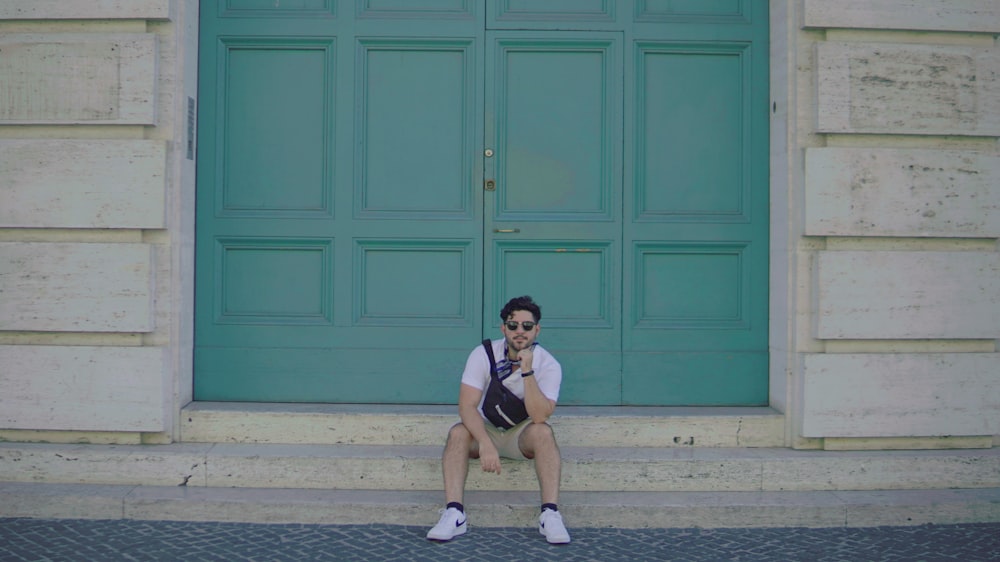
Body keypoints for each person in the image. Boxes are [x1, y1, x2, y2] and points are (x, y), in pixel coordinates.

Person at [426, 295, 570, 544]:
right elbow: (467, 406)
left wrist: (527, 371)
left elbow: (539, 416)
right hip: (487, 429)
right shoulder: (483, 354)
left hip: (522, 434)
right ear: (504, 328)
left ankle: (550, 514)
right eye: (513, 325)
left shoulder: (549, 365)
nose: (520, 331)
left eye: (527, 326)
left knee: (544, 433)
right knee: (458, 432)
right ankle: (454, 513)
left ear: (537, 329)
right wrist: (485, 442)